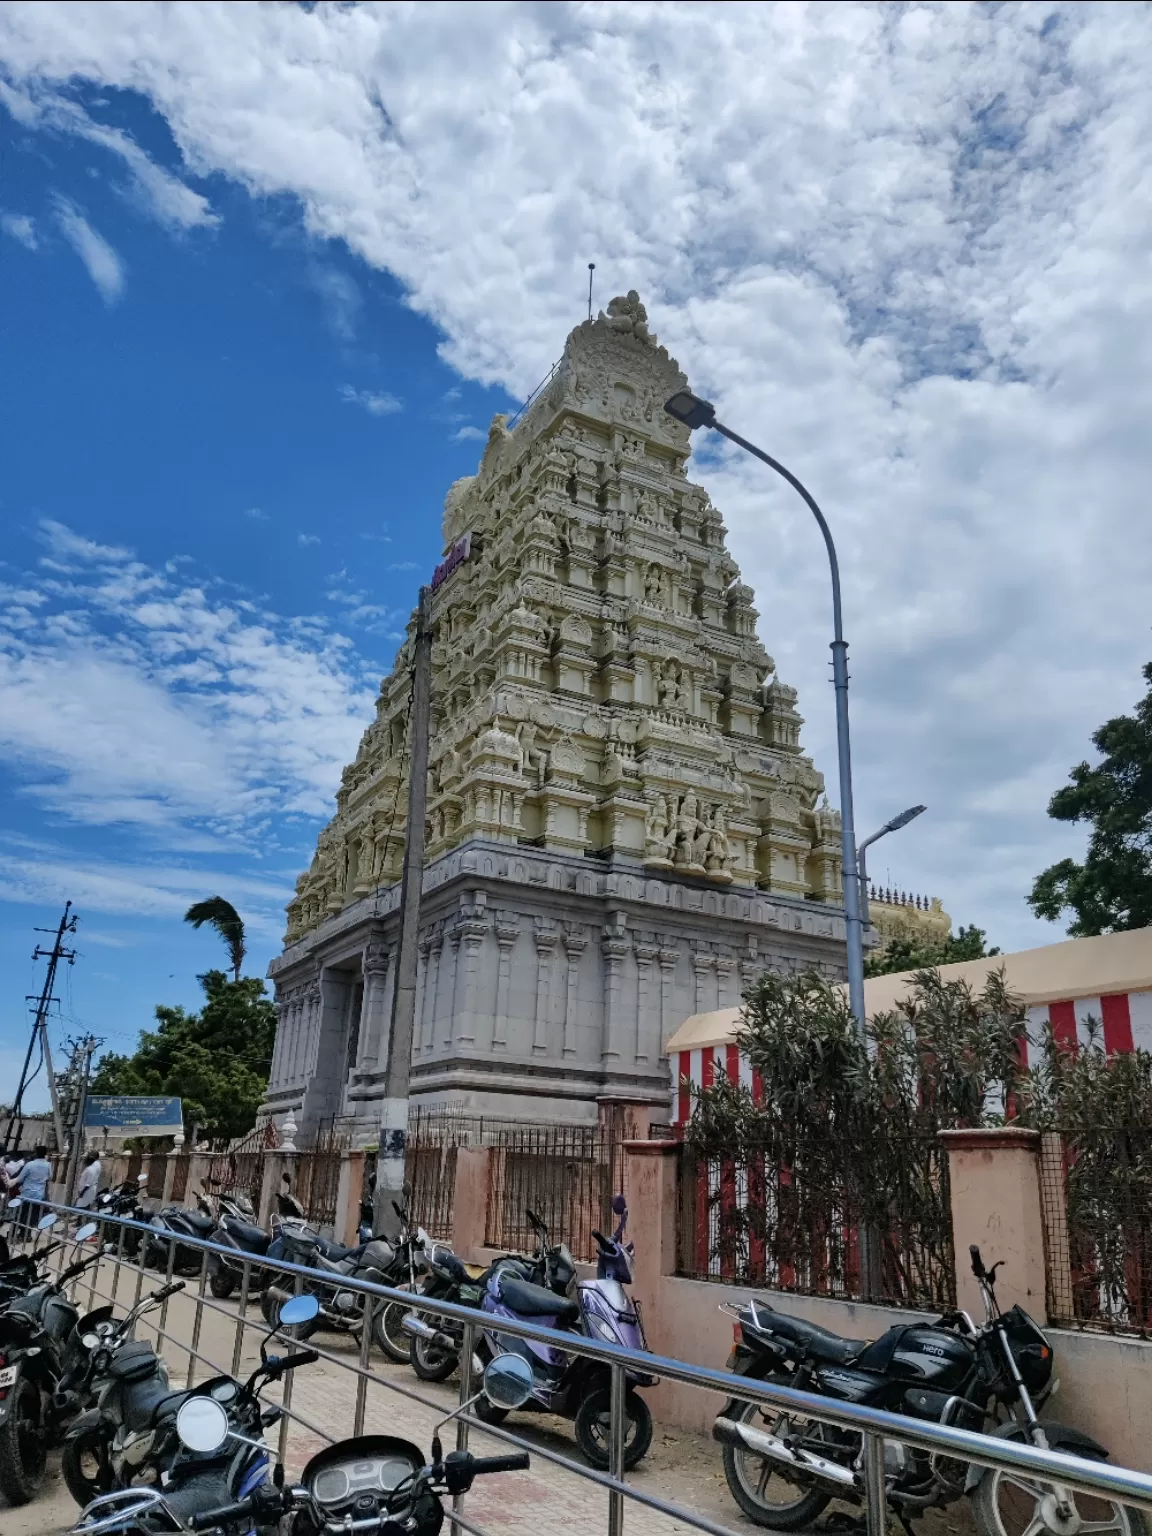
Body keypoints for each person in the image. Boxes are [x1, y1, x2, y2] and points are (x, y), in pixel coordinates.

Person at [13, 1145, 52, 1235]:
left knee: (21, 1214)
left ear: (36, 1153)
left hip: (27, 1194)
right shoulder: (48, 1165)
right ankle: (27, 1234)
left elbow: (20, 1178)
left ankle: (15, 1233)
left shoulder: (30, 1164)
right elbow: (50, 1177)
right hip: (39, 1195)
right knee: (32, 1215)